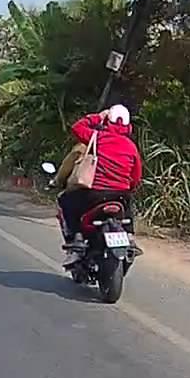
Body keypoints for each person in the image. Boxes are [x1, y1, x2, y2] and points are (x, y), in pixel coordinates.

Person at [57, 104, 142, 266]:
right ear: (128, 126)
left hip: (94, 194)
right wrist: (127, 187)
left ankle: (76, 240)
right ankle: (130, 237)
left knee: (66, 201)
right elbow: (136, 176)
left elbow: (77, 128)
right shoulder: (131, 147)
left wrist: (98, 116)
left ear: (107, 121)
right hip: (121, 195)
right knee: (128, 206)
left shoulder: (98, 137)